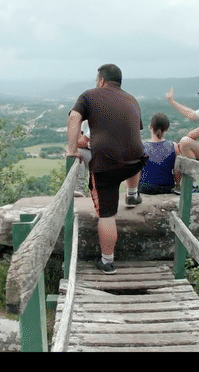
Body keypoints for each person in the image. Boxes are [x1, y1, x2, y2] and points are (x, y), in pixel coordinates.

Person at [66, 64, 147, 274]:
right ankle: (132, 194)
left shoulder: (89, 96)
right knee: (133, 154)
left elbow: (74, 117)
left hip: (107, 166)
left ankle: (107, 261)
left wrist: (72, 149)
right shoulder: (132, 99)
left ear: (101, 81)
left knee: (107, 214)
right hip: (136, 161)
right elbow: (133, 133)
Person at [139, 112, 180, 195]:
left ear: (150, 126)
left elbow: (137, 173)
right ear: (167, 128)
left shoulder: (142, 147)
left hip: (145, 188)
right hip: (166, 187)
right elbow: (177, 171)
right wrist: (177, 185)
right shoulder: (173, 146)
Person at [74, 120, 91, 197]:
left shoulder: (99, 118)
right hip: (89, 152)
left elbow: (81, 142)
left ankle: (80, 188)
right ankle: (79, 189)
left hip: (102, 154)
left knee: (76, 150)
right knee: (76, 153)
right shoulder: (85, 122)